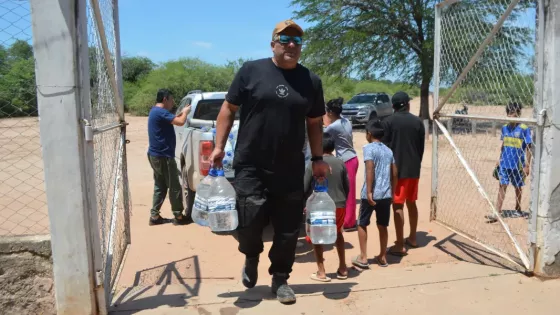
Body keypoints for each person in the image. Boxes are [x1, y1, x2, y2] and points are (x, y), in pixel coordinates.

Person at [208, 20, 328, 304]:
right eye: (285, 39)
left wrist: (319, 157)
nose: (291, 45)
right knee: (248, 221)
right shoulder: (252, 71)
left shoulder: (311, 81)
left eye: (297, 41)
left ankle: (281, 278)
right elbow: (228, 108)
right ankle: (251, 256)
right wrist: (218, 146)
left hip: (290, 167)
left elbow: (314, 122)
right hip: (250, 163)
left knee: (288, 228)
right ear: (273, 43)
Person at [382, 91, 425, 256]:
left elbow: (385, 149)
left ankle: (400, 244)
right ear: (407, 104)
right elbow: (421, 148)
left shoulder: (388, 122)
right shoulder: (418, 122)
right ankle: (413, 237)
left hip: (396, 171)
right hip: (414, 169)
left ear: (393, 106)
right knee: (411, 202)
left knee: (398, 205)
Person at [303, 133, 349, 282]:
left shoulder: (313, 164)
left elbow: (304, 187)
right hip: (339, 205)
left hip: (319, 207)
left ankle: (321, 272)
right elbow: (347, 186)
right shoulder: (340, 162)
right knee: (339, 234)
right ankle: (343, 268)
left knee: (317, 237)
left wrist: (304, 204)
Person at [352, 120, 397, 269]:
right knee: (382, 225)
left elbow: (370, 168)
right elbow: (394, 173)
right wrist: (393, 191)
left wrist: (369, 191)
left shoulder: (368, 148)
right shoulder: (388, 150)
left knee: (362, 223)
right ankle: (382, 256)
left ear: (369, 134)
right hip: (385, 194)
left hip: (370, 195)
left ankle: (363, 257)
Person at [147, 89, 191, 226]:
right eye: (171, 100)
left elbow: (172, 118)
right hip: (163, 156)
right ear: (165, 99)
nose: (173, 103)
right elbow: (180, 122)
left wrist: (180, 113)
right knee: (174, 186)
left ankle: (154, 216)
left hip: (156, 154)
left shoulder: (155, 111)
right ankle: (178, 216)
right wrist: (186, 112)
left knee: (160, 185)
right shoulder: (160, 112)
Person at [488, 102, 532, 222]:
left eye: (514, 114)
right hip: (505, 163)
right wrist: (500, 159)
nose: (511, 117)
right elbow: (503, 145)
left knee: (518, 187)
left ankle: (518, 209)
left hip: (518, 164)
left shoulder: (524, 129)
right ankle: (497, 211)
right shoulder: (505, 128)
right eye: (509, 114)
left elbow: (528, 147)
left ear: (518, 114)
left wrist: (527, 165)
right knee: (502, 185)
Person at [324, 97, 359, 231]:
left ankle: (349, 222)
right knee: (347, 190)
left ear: (331, 113)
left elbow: (323, 136)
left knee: (348, 192)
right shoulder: (345, 121)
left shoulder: (334, 126)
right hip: (352, 158)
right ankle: (347, 219)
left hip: (347, 160)